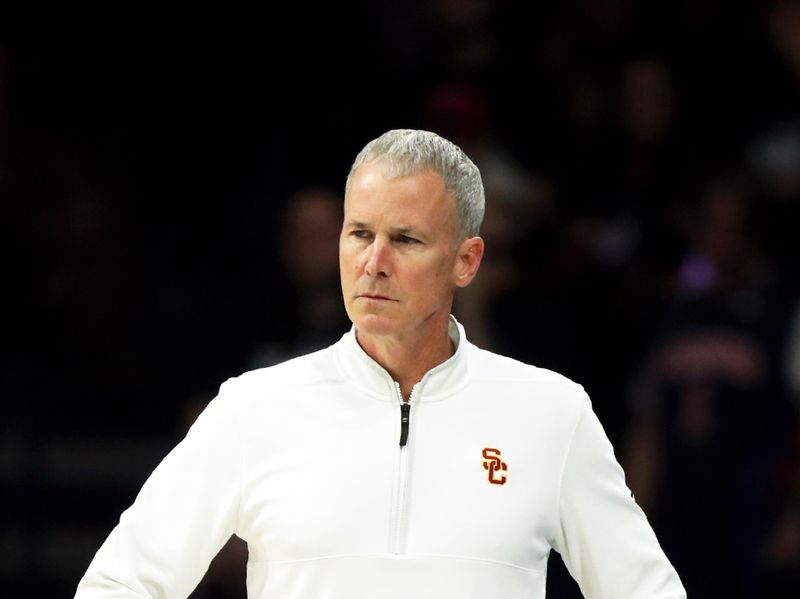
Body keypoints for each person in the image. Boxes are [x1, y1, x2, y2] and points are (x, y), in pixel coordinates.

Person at [75, 129, 685, 598]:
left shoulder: (552, 413)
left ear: (466, 261)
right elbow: (120, 583)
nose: (374, 261)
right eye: (359, 234)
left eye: (407, 239)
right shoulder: (252, 408)